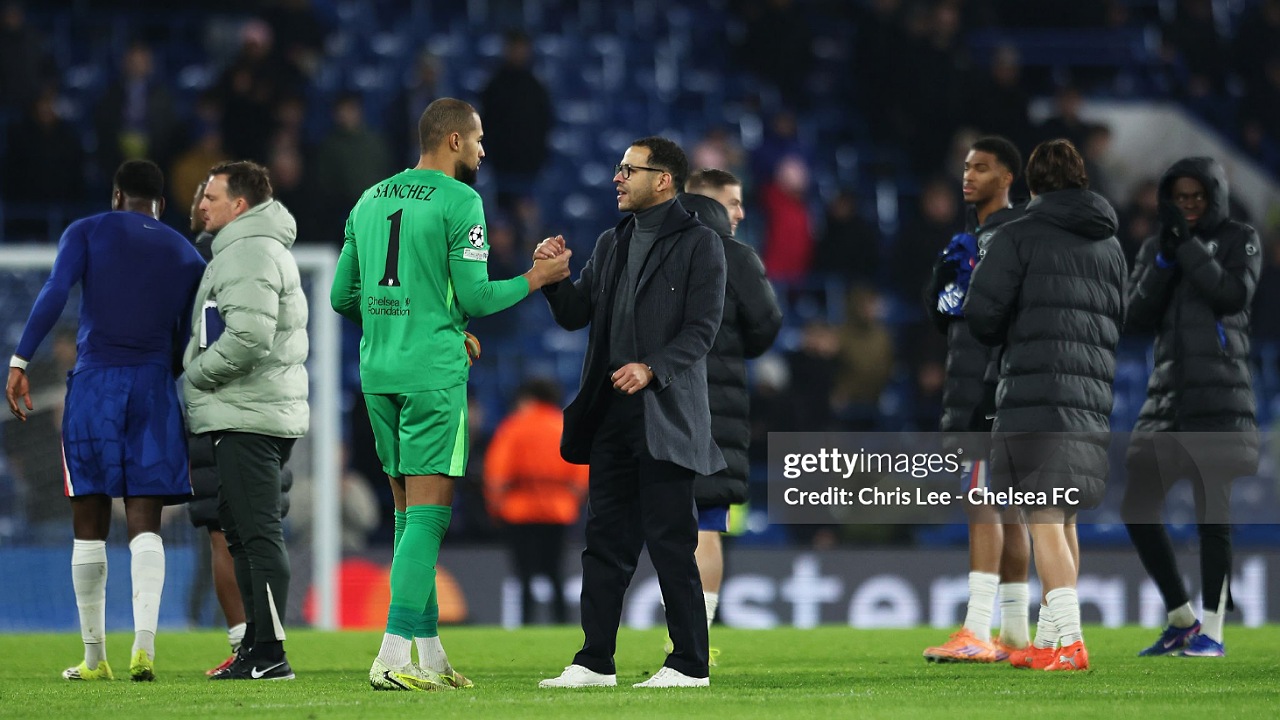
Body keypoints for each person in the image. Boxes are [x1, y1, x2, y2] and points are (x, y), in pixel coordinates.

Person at [329, 97, 571, 692]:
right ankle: (390, 655)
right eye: (480, 138)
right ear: (455, 141)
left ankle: (429, 653)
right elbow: (481, 296)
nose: (485, 150)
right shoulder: (461, 201)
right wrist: (539, 278)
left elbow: (341, 296)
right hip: (432, 375)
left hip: (378, 373)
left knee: (407, 516)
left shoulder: (370, 198)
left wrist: (402, 324)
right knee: (431, 518)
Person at [536, 136, 727, 689]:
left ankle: (689, 664)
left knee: (671, 542)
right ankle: (595, 660)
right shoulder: (611, 242)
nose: (617, 178)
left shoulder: (700, 244)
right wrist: (553, 282)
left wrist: (652, 368)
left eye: (628, 169)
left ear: (663, 179)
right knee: (604, 545)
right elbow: (577, 315)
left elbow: (702, 329)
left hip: (664, 414)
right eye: (618, 168)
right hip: (612, 418)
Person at [5, 159, 206, 682]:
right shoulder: (185, 253)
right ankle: (145, 648)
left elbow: (54, 293)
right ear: (160, 204)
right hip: (154, 386)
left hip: (95, 385)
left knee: (89, 519)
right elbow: (190, 338)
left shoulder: (87, 231)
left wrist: (21, 360)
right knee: (146, 521)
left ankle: (95, 657)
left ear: (117, 196)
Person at [965, 139, 1127, 672]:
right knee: (1065, 518)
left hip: (1037, 396)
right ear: (1081, 180)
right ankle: (1050, 638)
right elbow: (1119, 318)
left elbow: (983, 316)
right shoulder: (1110, 244)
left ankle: (1071, 642)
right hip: (1091, 395)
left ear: (1031, 184)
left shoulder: (1017, 235)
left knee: (1042, 515)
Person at [1121, 157, 1262, 658]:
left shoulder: (1240, 238)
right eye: (1179, 198)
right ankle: (1181, 617)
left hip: (1218, 396)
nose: (1189, 205)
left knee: (1212, 515)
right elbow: (1135, 316)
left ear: (1215, 195)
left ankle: (1214, 632)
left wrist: (1190, 250)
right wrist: (1163, 260)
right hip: (1168, 398)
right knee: (1136, 507)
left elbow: (1231, 294)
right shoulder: (1156, 247)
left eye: (1197, 196)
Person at [183, 160, 309, 681]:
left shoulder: (250, 251)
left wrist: (197, 374)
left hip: (250, 415)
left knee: (257, 535)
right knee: (242, 534)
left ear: (239, 205)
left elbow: (250, 337)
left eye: (211, 196)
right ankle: (256, 647)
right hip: (248, 410)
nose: (202, 204)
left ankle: (271, 653)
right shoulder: (245, 249)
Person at [921, 136, 1032, 664]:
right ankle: (1013, 631)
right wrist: (944, 284)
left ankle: (977, 629)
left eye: (982, 169)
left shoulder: (1012, 235)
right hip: (974, 383)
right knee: (1006, 509)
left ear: (1008, 178)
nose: (969, 177)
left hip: (992, 388)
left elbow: (1005, 316)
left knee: (983, 500)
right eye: (966, 168)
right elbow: (944, 317)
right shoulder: (972, 236)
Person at [668, 168, 781, 661]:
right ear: (706, 199)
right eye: (732, 202)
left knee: (664, 522)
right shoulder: (735, 256)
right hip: (717, 410)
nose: (738, 213)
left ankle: (678, 635)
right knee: (708, 522)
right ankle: (699, 638)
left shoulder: (654, 247)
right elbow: (766, 324)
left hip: (658, 401)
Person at [483, 378, 589, 625]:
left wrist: (496, 506)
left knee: (524, 574)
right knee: (556, 573)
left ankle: (526, 623)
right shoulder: (563, 426)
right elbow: (581, 473)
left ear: (528, 398)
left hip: (519, 510)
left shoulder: (513, 427)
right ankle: (562, 622)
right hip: (558, 510)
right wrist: (571, 500)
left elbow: (497, 474)